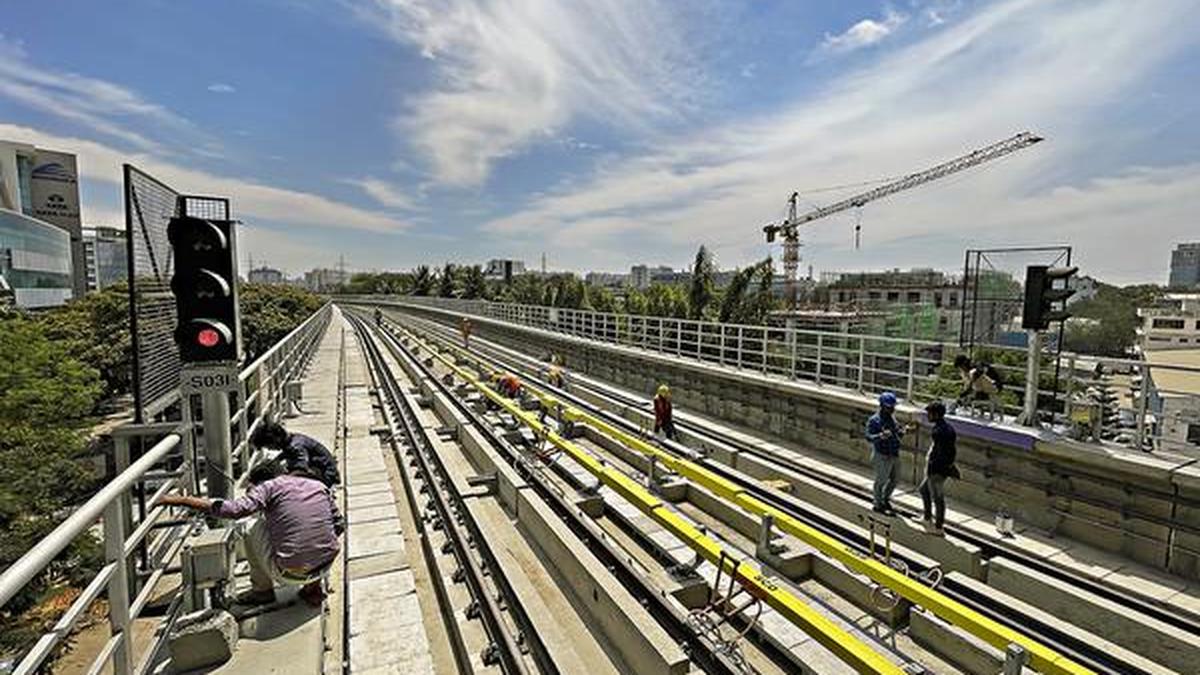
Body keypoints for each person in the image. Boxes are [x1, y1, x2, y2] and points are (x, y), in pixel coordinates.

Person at [158, 461, 341, 607]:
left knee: (250, 526)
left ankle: (262, 591)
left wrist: (183, 500)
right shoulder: (318, 485)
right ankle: (313, 587)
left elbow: (236, 510)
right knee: (308, 528)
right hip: (325, 566)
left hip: (291, 574)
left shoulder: (269, 487)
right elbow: (338, 525)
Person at [251, 421, 340, 488]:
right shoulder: (293, 439)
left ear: (276, 440)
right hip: (324, 470)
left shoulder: (296, 447)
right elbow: (287, 453)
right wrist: (277, 460)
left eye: (269, 446)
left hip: (326, 476)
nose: (270, 449)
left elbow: (301, 468)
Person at [865, 392, 911, 515]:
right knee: (881, 481)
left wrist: (904, 431)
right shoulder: (874, 420)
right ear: (881, 406)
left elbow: (897, 434)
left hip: (894, 454)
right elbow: (868, 437)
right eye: (889, 407)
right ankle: (878, 503)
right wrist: (880, 436)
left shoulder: (892, 419)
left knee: (895, 479)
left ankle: (885, 499)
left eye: (892, 407)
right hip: (882, 455)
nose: (891, 409)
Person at [918, 401, 960, 535]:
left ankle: (938, 527)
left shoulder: (938, 431)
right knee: (924, 490)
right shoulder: (948, 428)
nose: (928, 416)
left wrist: (936, 469)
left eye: (929, 413)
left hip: (936, 470)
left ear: (936, 414)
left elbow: (940, 453)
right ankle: (927, 518)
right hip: (941, 468)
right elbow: (951, 451)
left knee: (938, 498)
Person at [954, 355, 1001, 419]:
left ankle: (979, 396)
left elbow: (972, 384)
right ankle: (976, 397)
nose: (961, 369)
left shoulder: (976, 367)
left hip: (994, 386)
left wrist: (961, 396)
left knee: (973, 375)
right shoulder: (968, 371)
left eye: (961, 367)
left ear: (964, 364)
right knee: (969, 378)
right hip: (983, 387)